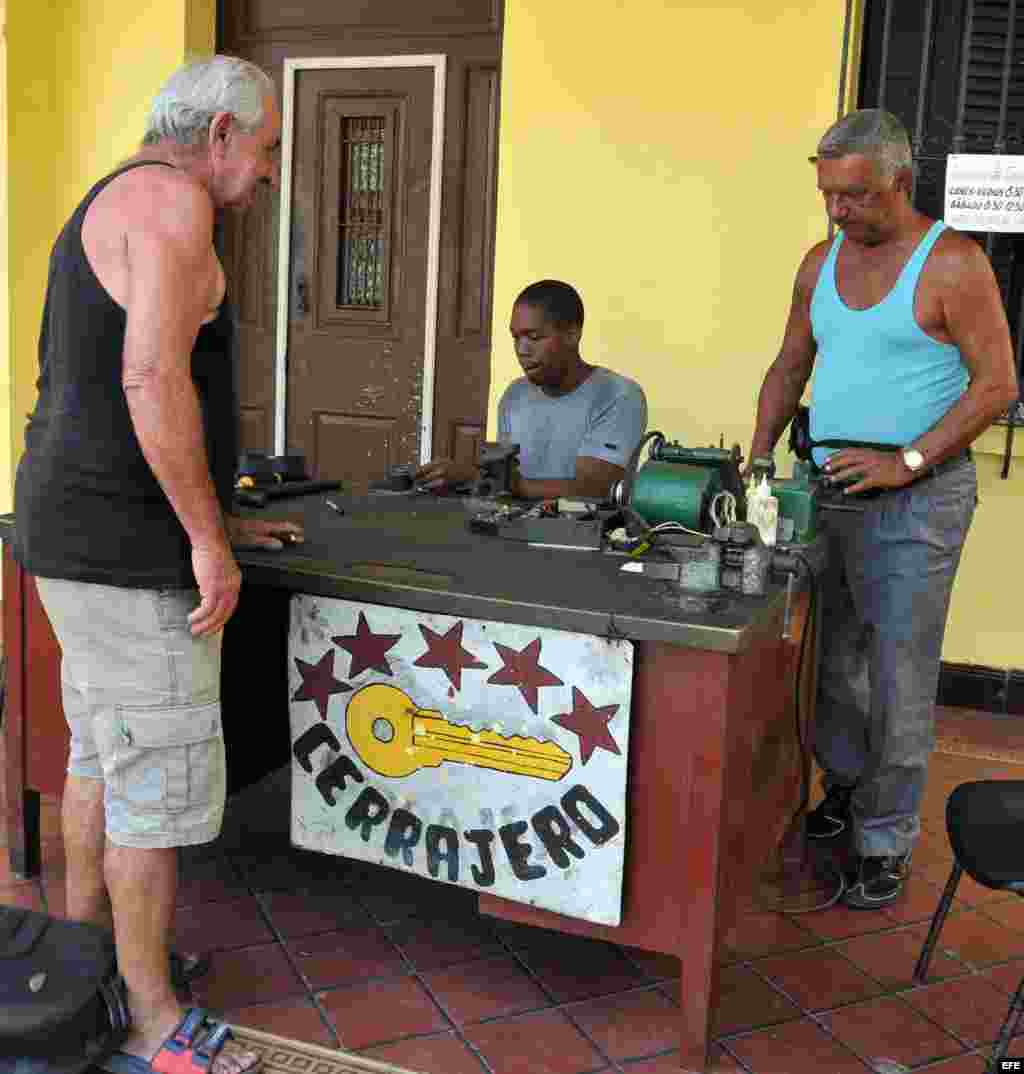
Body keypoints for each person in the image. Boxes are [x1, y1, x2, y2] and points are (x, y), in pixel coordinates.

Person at [11, 56, 302, 1072]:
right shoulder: (175, 206)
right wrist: (206, 541)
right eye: (265, 150)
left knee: (104, 755)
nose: (267, 175)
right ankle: (150, 1020)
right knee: (154, 783)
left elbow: (102, 376)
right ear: (220, 134)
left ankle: (92, 968)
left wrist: (218, 511)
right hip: (129, 552)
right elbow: (147, 377)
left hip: (64, 532)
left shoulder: (110, 195)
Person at [748, 109, 1018, 909]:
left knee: (899, 676)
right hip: (826, 493)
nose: (838, 211)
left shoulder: (955, 265)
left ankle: (886, 839)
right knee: (834, 667)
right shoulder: (817, 262)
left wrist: (907, 462)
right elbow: (789, 363)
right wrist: (761, 455)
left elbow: (999, 385)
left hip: (919, 502)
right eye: (828, 193)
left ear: (899, 181)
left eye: (855, 196)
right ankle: (844, 792)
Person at [415, 280, 647, 500]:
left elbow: (594, 489)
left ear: (572, 335)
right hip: (515, 530)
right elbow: (504, 475)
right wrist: (461, 477)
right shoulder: (515, 396)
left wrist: (496, 482)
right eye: (516, 338)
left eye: (534, 337)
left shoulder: (618, 396)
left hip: (584, 536)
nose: (522, 350)